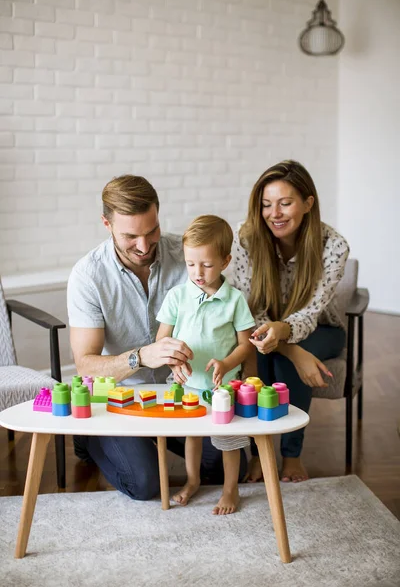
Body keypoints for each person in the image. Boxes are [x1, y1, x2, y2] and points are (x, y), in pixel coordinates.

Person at [67, 175, 243, 500]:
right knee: (146, 484)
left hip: (183, 394)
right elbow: (86, 365)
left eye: (152, 232)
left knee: (224, 465)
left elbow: (229, 324)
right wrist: (142, 356)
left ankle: (151, 443)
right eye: (130, 236)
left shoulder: (190, 256)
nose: (144, 247)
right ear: (106, 224)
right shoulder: (88, 276)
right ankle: (90, 440)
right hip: (123, 400)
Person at [231, 160, 349, 483]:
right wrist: (291, 350)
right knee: (263, 354)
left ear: (308, 204)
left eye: (286, 203)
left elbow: (312, 312)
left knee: (279, 362)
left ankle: (291, 456)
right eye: (267, 204)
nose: (275, 214)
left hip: (323, 329)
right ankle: (260, 453)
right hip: (263, 328)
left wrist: (284, 336)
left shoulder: (334, 246)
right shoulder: (246, 239)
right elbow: (246, 306)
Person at [156, 215, 255, 514]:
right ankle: (192, 480)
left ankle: (230, 490)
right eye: (190, 264)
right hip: (187, 384)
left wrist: (226, 364)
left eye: (207, 265)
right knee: (192, 436)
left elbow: (246, 344)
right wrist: (173, 363)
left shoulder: (235, 300)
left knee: (228, 441)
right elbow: (163, 340)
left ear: (225, 261)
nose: (197, 272)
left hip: (221, 387)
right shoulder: (177, 296)